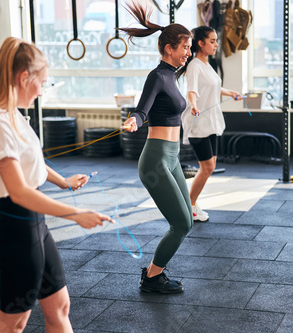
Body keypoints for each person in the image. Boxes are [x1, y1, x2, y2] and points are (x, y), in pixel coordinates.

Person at [0, 37, 113, 332]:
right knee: (13, 324)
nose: (41, 91)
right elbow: (19, 191)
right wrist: (75, 215)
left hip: (36, 228)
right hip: (17, 231)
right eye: (41, 83)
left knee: (59, 307)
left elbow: (30, 161)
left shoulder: (12, 115)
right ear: (24, 78)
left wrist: (63, 182)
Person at [120, 1, 193, 294]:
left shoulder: (173, 77)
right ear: (168, 49)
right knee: (181, 224)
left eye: (189, 48)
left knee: (187, 218)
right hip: (156, 159)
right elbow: (142, 109)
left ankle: (153, 274)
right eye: (185, 47)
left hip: (172, 157)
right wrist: (134, 121)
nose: (188, 52)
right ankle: (152, 277)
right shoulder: (158, 76)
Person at [177, 26, 242, 222]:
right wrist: (194, 104)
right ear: (201, 43)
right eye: (212, 41)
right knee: (206, 168)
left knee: (210, 166)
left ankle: (190, 204)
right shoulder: (195, 65)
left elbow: (213, 85)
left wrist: (231, 93)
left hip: (211, 122)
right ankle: (190, 206)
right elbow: (192, 90)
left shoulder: (206, 64)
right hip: (198, 122)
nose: (216, 45)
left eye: (216, 41)